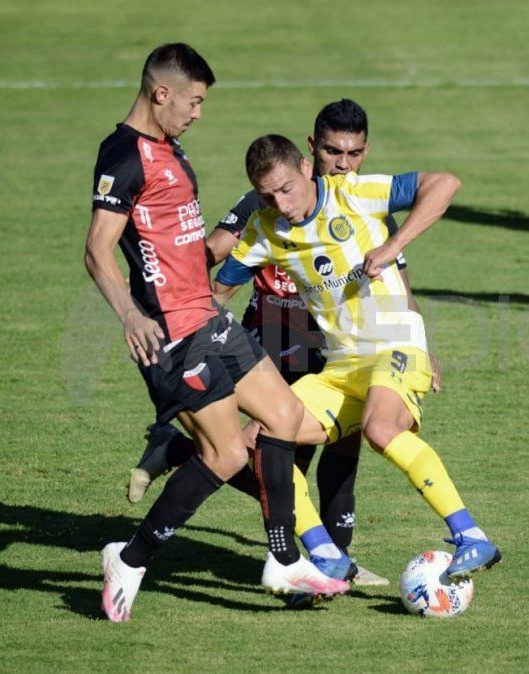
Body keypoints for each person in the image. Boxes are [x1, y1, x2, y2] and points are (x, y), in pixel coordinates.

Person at [84, 44, 348, 623]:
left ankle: (281, 561)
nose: (198, 112)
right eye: (194, 101)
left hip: (208, 315)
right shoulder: (125, 154)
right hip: (173, 333)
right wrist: (131, 315)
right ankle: (130, 560)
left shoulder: (167, 147)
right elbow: (98, 248)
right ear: (162, 93)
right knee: (227, 453)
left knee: (286, 420)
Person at [130, 100, 439, 591]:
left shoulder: (360, 199)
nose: (344, 163)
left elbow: (398, 281)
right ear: (309, 152)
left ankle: (335, 559)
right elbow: (214, 253)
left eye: (354, 153)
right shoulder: (267, 200)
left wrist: (420, 346)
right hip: (275, 334)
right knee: (270, 450)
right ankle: (297, 552)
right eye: (334, 152)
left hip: (343, 341)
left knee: (344, 449)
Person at [214, 134, 502, 580]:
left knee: (380, 429)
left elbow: (444, 183)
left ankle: (471, 536)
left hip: (395, 344)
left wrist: (392, 246)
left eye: (286, 189)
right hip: (341, 367)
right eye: (267, 195)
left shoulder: (356, 194)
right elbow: (216, 294)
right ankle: (327, 555)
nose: (281, 204)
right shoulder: (264, 230)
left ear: (307, 168)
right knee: (265, 443)